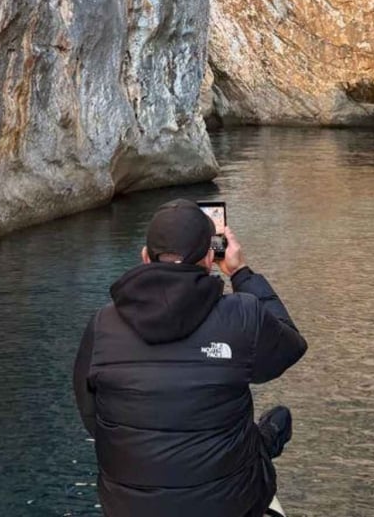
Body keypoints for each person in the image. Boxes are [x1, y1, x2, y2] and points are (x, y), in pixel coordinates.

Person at [72, 198, 307, 517]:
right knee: (277, 422)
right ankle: (268, 439)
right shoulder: (242, 314)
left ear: (145, 257)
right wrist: (240, 273)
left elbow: (94, 420)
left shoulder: (101, 326)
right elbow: (291, 345)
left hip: (128, 508)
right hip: (230, 506)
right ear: (211, 257)